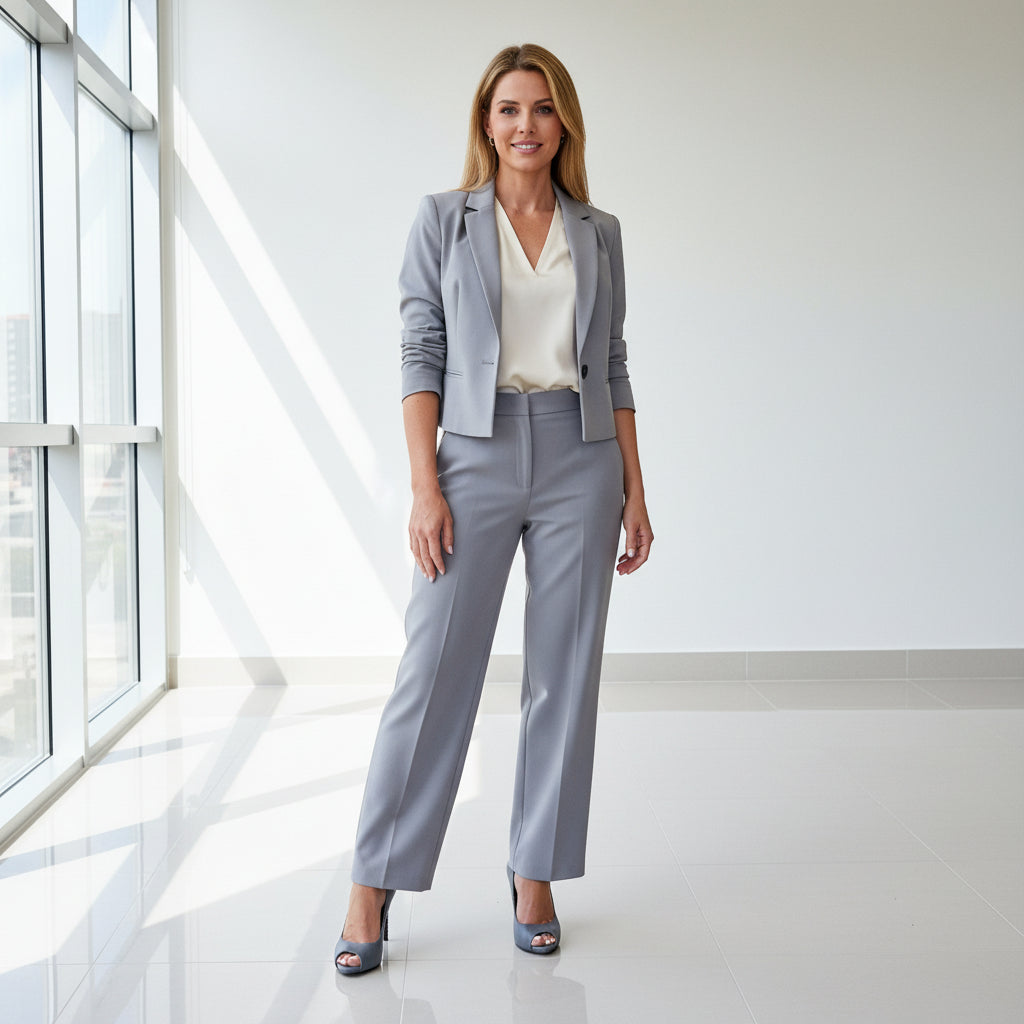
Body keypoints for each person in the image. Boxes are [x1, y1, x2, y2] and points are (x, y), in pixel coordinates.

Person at [335, 43, 653, 974]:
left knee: (565, 673)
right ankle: (371, 880)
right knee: (433, 672)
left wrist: (637, 484)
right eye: (510, 109)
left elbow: (618, 362)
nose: (526, 126)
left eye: (543, 109)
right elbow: (419, 350)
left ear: (565, 124)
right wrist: (424, 483)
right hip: (470, 454)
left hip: (581, 455)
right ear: (487, 121)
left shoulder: (598, 231)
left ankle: (536, 871)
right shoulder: (443, 221)